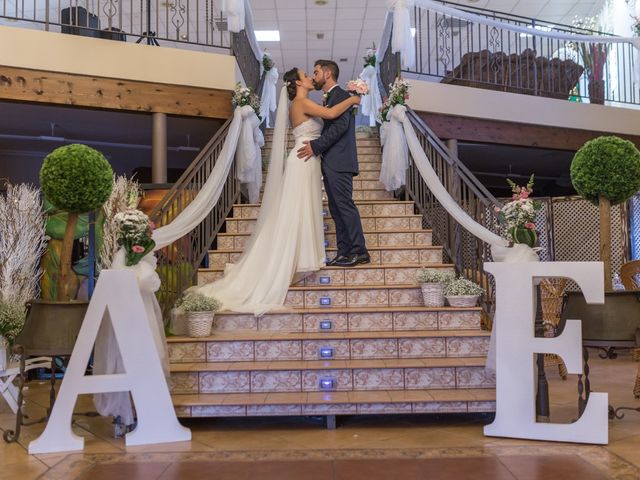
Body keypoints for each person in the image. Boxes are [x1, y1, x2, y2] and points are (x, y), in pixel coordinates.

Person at [192, 68, 360, 315]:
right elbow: (333, 113)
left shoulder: (304, 101)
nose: (311, 77)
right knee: (295, 209)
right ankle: (297, 259)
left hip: (308, 159)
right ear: (298, 83)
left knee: (301, 208)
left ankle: (304, 256)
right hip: (303, 159)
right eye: (306, 74)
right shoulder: (301, 103)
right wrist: (355, 98)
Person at [297, 59, 370, 267]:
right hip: (331, 163)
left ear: (328, 73)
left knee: (344, 206)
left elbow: (339, 128)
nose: (314, 76)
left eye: (317, 72)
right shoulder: (331, 98)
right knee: (336, 209)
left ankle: (359, 251)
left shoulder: (341, 95)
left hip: (340, 161)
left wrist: (316, 146)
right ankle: (344, 251)